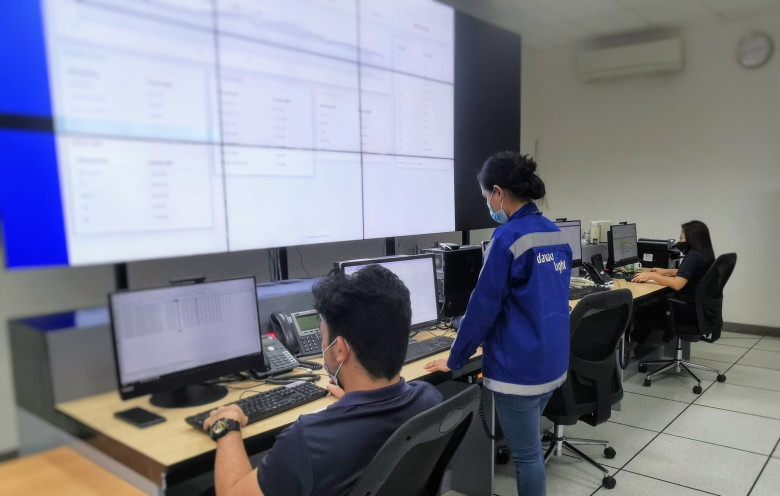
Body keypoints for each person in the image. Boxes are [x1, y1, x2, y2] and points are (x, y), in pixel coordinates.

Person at [203, 265, 442, 496]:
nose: (322, 344)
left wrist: (227, 426)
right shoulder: (429, 398)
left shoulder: (308, 440)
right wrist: (354, 400)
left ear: (340, 349)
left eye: (323, 335)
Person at [425, 151, 572, 496]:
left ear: (498, 192)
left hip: (519, 369)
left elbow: (482, 308)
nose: (488, 205)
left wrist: (455, 359)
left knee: (527, 457)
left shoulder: (506, 239)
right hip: (551, 363)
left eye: (485, 197)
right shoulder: (554, 233)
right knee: (530, 448)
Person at [630, 220, 715, 347]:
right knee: (652, 307)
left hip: (688, 311)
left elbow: (677, 284)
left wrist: (652, 276)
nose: (680, 241)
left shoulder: (693, 256)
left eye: (682, 238)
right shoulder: (705, 253)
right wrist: (665, 272)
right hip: (699, 310)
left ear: (692, 239)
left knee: (642, 311)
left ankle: (632, 348)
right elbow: (689, 272)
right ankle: (639, 348)